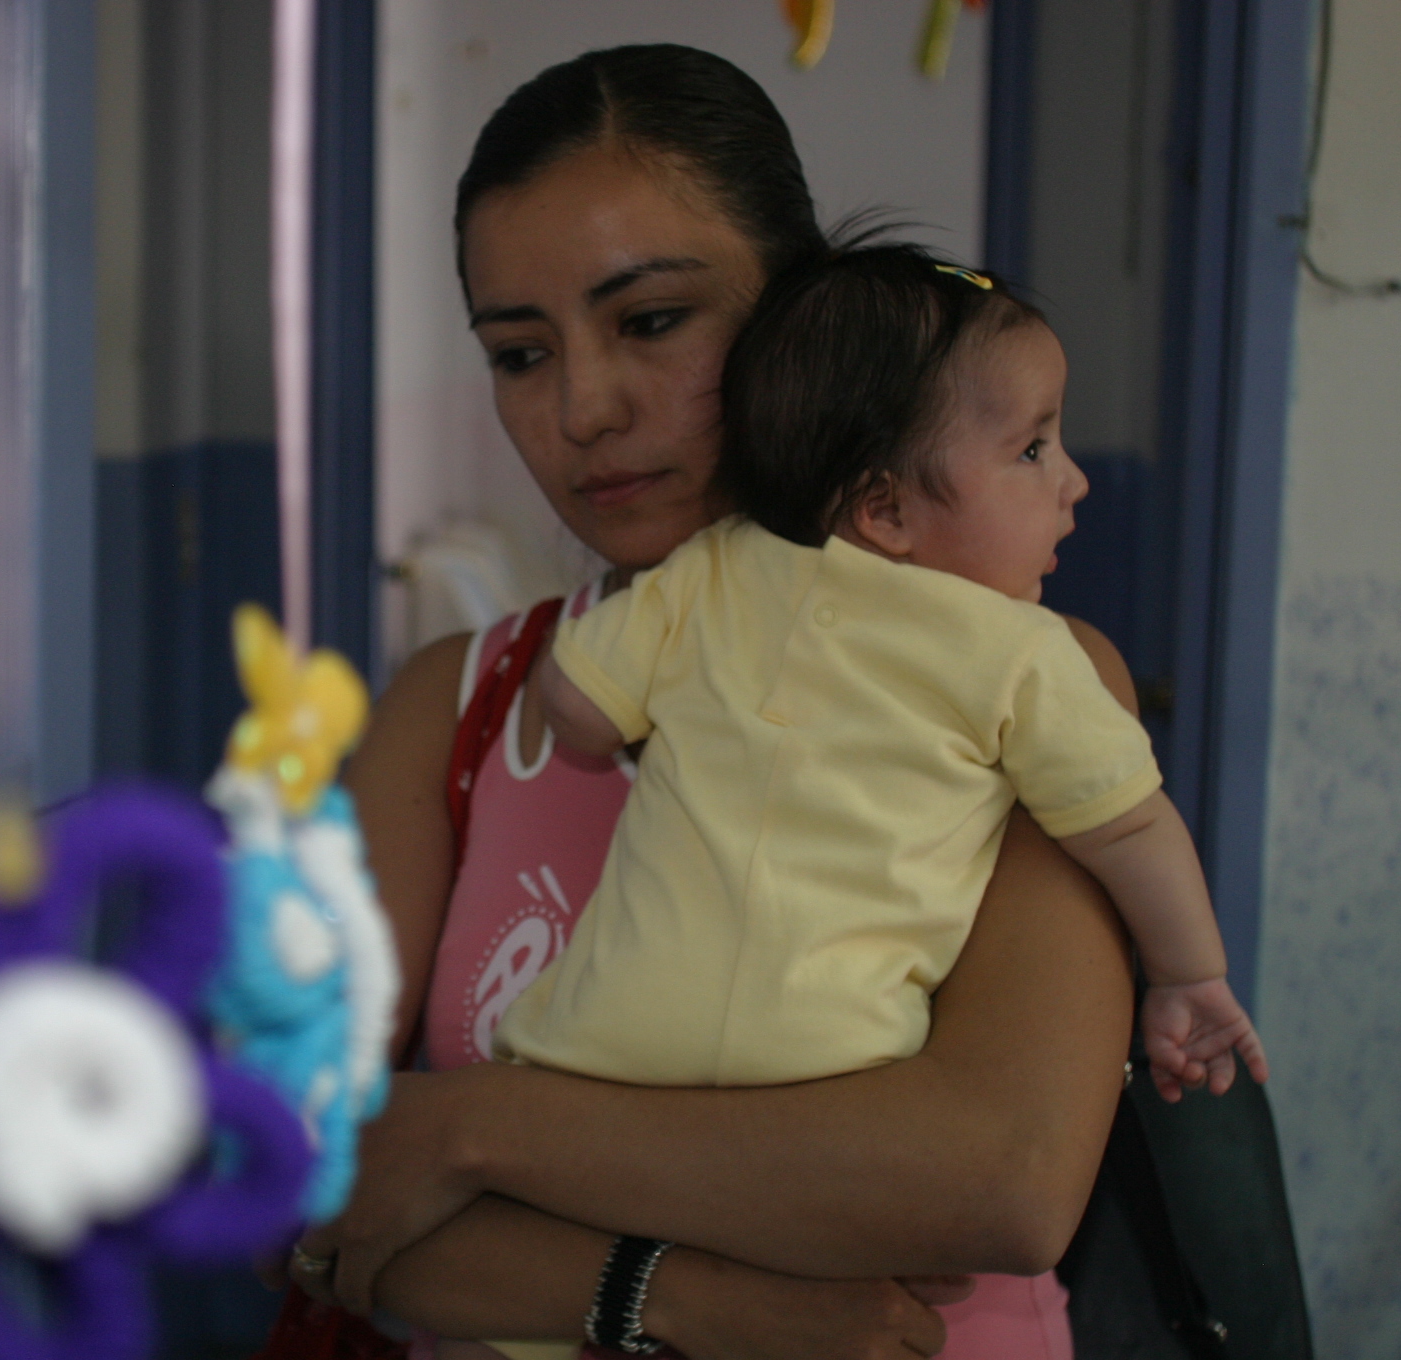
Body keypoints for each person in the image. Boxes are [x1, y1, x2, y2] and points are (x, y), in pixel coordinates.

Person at [288, 46, 1138, 1360]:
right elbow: (313, 1189)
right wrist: (690, 1296)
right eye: (521, 352)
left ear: (802, 313)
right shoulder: (451, 710)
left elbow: (1003, 1180)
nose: (583, 408)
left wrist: (466, 1131)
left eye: (652, 320)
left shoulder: (1024, 676)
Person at [521, 243, 1269, 1106]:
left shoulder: (714, 569)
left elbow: (578, 708)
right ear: (885, 510)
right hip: (836, 1075)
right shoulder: (1022, 652)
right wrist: (1188, 977)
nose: (1074, 481)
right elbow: (1132, 832)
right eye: (1032, 449)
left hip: (597, 1054)